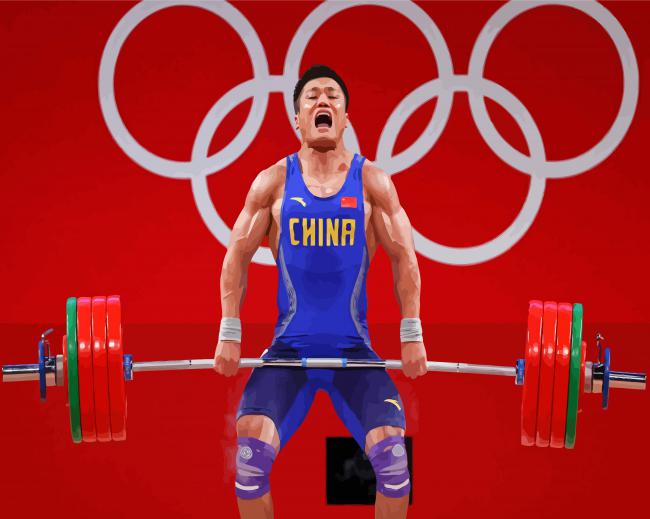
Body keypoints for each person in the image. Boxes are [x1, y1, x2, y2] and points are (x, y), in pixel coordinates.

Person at [213, 64, 427, 519]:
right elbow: (236, 257)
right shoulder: (272, 182)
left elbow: (404, 258)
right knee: (249, 465)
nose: (322, 101)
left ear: (346, 116)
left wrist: (411, 333)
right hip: (288, 353)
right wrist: (229, 331)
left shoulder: (373, 182)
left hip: (355, 353)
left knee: (394, 466)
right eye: (311, 97)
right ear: (297, 118)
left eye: (332, 95)